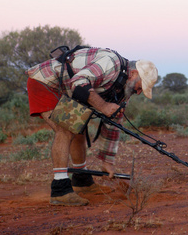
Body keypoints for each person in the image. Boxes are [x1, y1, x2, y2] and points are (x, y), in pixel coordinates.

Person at [26, 46, 158, 206]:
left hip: (65, 87)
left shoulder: (123, 89)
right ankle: (60, 190)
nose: (138, 92)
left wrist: (107, 162)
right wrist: (103, 106)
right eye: (140, 87)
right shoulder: (111, 63)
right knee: (66, 128)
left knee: (78, 128)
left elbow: (115, 121)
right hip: (46, 82)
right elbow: (79, 82)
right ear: (134, 74)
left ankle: (82, 182)